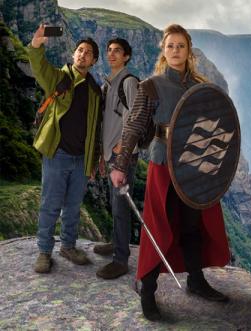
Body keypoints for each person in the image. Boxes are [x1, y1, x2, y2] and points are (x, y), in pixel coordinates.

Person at [110, 24, 230, 321]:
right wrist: (120, 166)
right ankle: (148, 291)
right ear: (163, 51)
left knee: (192, 225)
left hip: (194, 166)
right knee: (157, 227)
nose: (176, 51)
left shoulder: (200, 87)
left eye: (181, 46)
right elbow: (134, 127)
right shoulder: (151, 86)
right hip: (163, 162)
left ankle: (196, 281)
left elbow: (216, 128)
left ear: (189, 51)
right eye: (170, 46)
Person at [28, 24, 102, 273]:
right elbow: (39, 67)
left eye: (88, 52)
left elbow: (96, 129)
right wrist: (37, 43)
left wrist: (93, 160)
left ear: (93, 61)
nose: (83, 54)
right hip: (58, 155)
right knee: (50, 205)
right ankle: (44, 251)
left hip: (81, 159)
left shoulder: (94, 91)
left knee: (72, 206)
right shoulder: (60, 79)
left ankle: (68, 246)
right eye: (80, 50)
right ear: (74, 55)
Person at [93, 38, 140, 279]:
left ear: (127, 56)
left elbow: (134, 119)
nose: (111, 54)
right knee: (115, 203)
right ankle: (116, 242)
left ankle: (121, 260)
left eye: (117, 51)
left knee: (121, 206)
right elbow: (108, 123)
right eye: (109, 51)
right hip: (111, 154)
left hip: (123, 156)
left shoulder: (129, 82)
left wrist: (120, 153)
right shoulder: (109, 83)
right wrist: (104, 155)